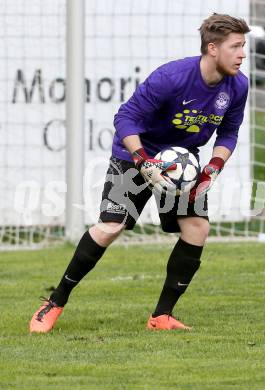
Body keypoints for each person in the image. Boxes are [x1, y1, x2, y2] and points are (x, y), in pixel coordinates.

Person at [29, 13, 250, 333]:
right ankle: (54, 303)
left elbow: (228, 133)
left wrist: (213, 167)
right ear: (212, 48)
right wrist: (143, 160)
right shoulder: (171, 77)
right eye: (237, 46)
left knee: (197, 228)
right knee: (110, 227)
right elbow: (125, 118)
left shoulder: (237, 85)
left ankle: (161, 317)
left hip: (179, 166)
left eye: (244, 46)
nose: (243, 54)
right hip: (135, 156)